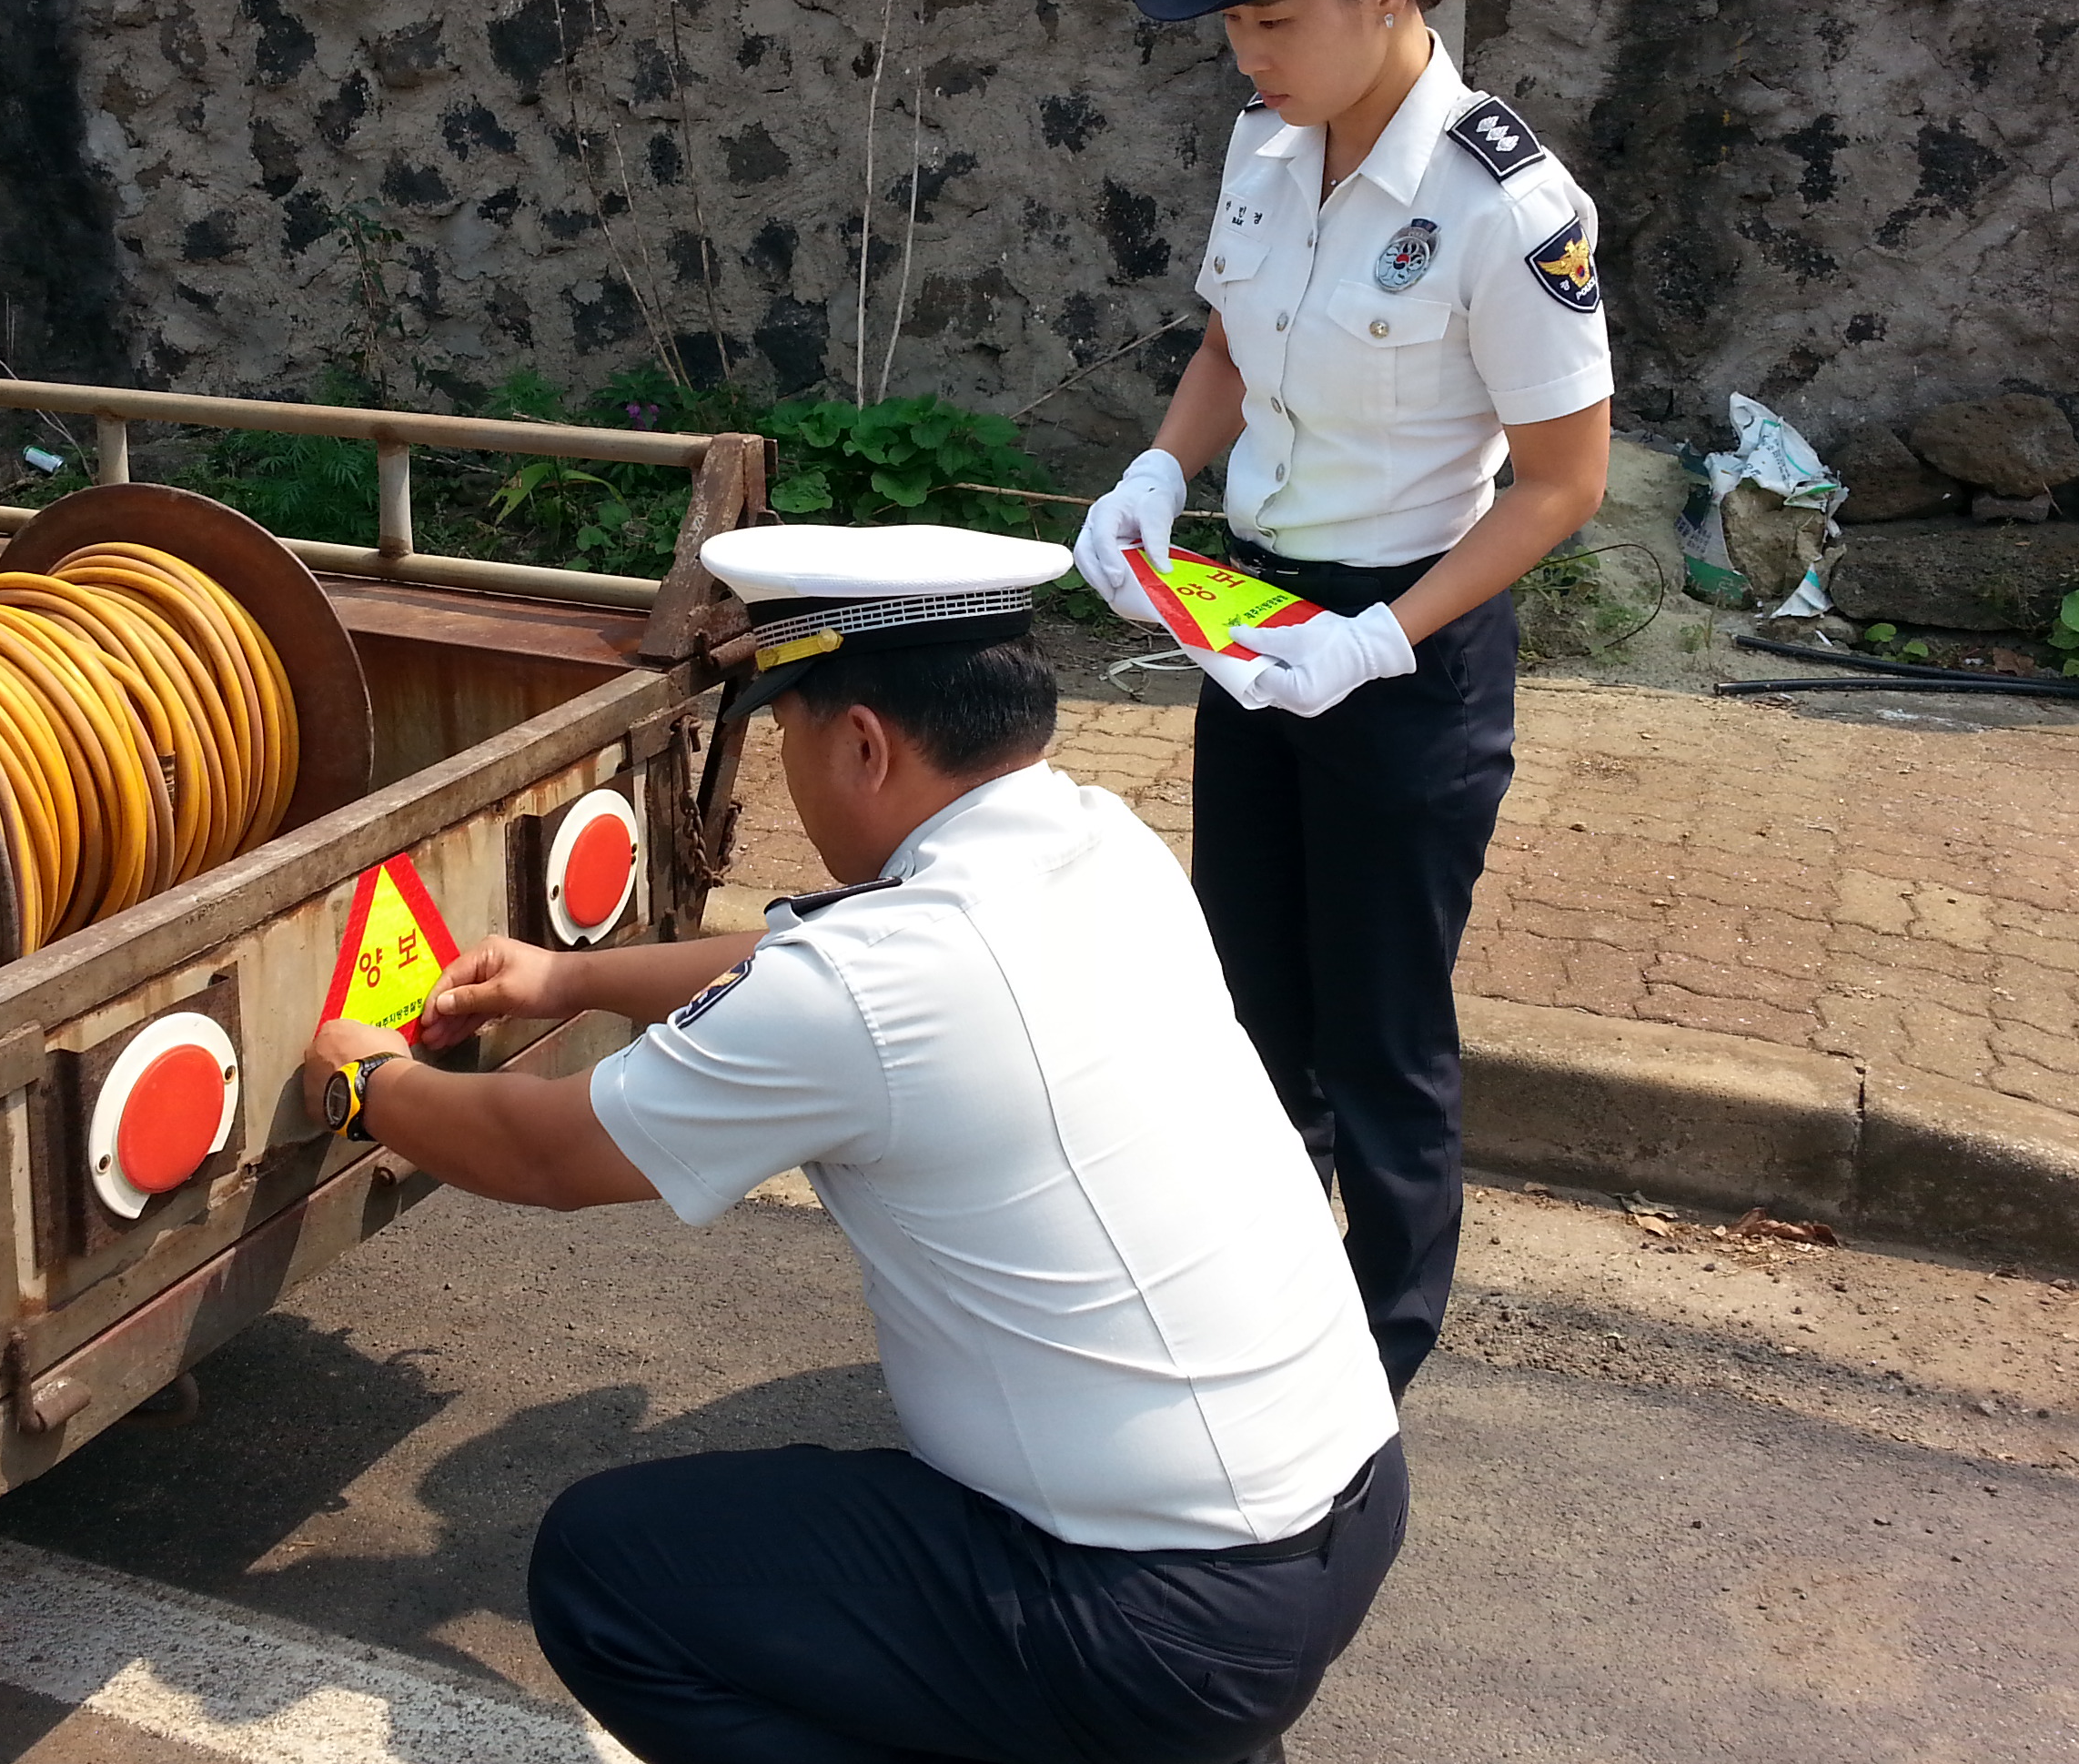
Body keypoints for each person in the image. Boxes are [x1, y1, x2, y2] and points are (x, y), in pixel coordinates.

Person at [306, 521, 1407, 1764]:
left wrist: (368, 1083)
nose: (788, 770)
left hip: (1166, 1616)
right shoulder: (1098, 845)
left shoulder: (876, 987)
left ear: (865, 742)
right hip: (1345, 1510)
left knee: (611, 1573)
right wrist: (568, 980)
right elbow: (810, 966)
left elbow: (546, 1154)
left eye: (786, 738)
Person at [1073, 0, 1613, 1399]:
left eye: (1276, 19)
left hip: (1410, 643)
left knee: (1379, 1031)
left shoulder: (1510, 207)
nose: (1250, 56)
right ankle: (1253, 1309)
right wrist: (1160, 476)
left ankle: (1370, 1372)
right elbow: (1235, 340)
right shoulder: (1271, 142)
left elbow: (1561, 485)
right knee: (1249, 1001)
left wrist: (1382, 638)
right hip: (1258, 626)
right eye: (1233, 24)